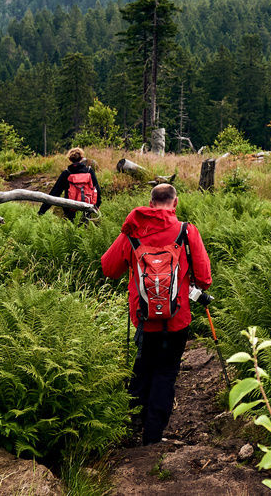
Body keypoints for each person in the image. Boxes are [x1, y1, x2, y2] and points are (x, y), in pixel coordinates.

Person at [99, 182, 212, 445]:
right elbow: (205, 278)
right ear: (175, 203)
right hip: (177, 319)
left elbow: (108, 268)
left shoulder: (132, 233)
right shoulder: (187, 231)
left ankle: (130, 426)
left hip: (144, 319)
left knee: (143, 368)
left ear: (150, 204)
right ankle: (152, 437)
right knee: (167, 372)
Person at [39, 147, 101, 221]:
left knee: (71, 228)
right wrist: (97, 205)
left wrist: (41, 212)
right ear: (82, 158)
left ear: (70, 159)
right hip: (87, 207)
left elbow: (55, 192)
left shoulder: (66, 173)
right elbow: (97, 189)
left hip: (70, 208)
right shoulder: (89, 171)